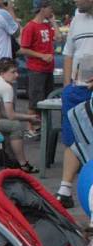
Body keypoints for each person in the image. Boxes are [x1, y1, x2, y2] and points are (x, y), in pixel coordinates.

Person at [55, 0, 93, 209]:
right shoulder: (77, 19)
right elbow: (68, 52)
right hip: (76, 89)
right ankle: (65, 190)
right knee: (72, 136)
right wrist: (67, 84)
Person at [0, 58, 40, 172]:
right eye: (13, 72)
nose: (17, 75)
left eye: (17, 71)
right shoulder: (6, 87)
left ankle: (8, 161)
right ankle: (23, 164)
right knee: (15, 126)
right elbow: (10, 115)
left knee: (8, 127)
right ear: (2, 73)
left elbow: (4, 113)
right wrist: (29, 118)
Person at [21, 0, 56, 126]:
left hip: (48, 69)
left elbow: (58, 37)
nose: (52, 11)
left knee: (47, 100)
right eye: (49, 8)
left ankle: (42, 127)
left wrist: (53, 22)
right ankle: (31, 128)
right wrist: (41, 55)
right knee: (35, 101)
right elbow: (23, 49)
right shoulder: (30, 26)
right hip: (36, 70)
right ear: (43, 8)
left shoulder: (47, 26)